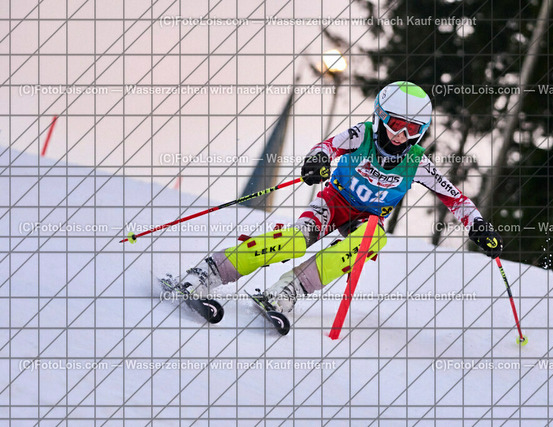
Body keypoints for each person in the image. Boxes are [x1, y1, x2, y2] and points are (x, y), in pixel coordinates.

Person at [164, 81, 503, 313]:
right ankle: (208, 273)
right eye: (396, 124)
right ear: (381, 117)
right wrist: (317, 161)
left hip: (366, 220)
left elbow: (454, 198)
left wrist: (478, 226)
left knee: (373, 239)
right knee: (295, 241)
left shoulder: (417, 162)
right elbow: (327, 146)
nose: (401, 135)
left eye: (412, 129)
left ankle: (288, 290)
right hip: (333, 203)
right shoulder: (362, 135)